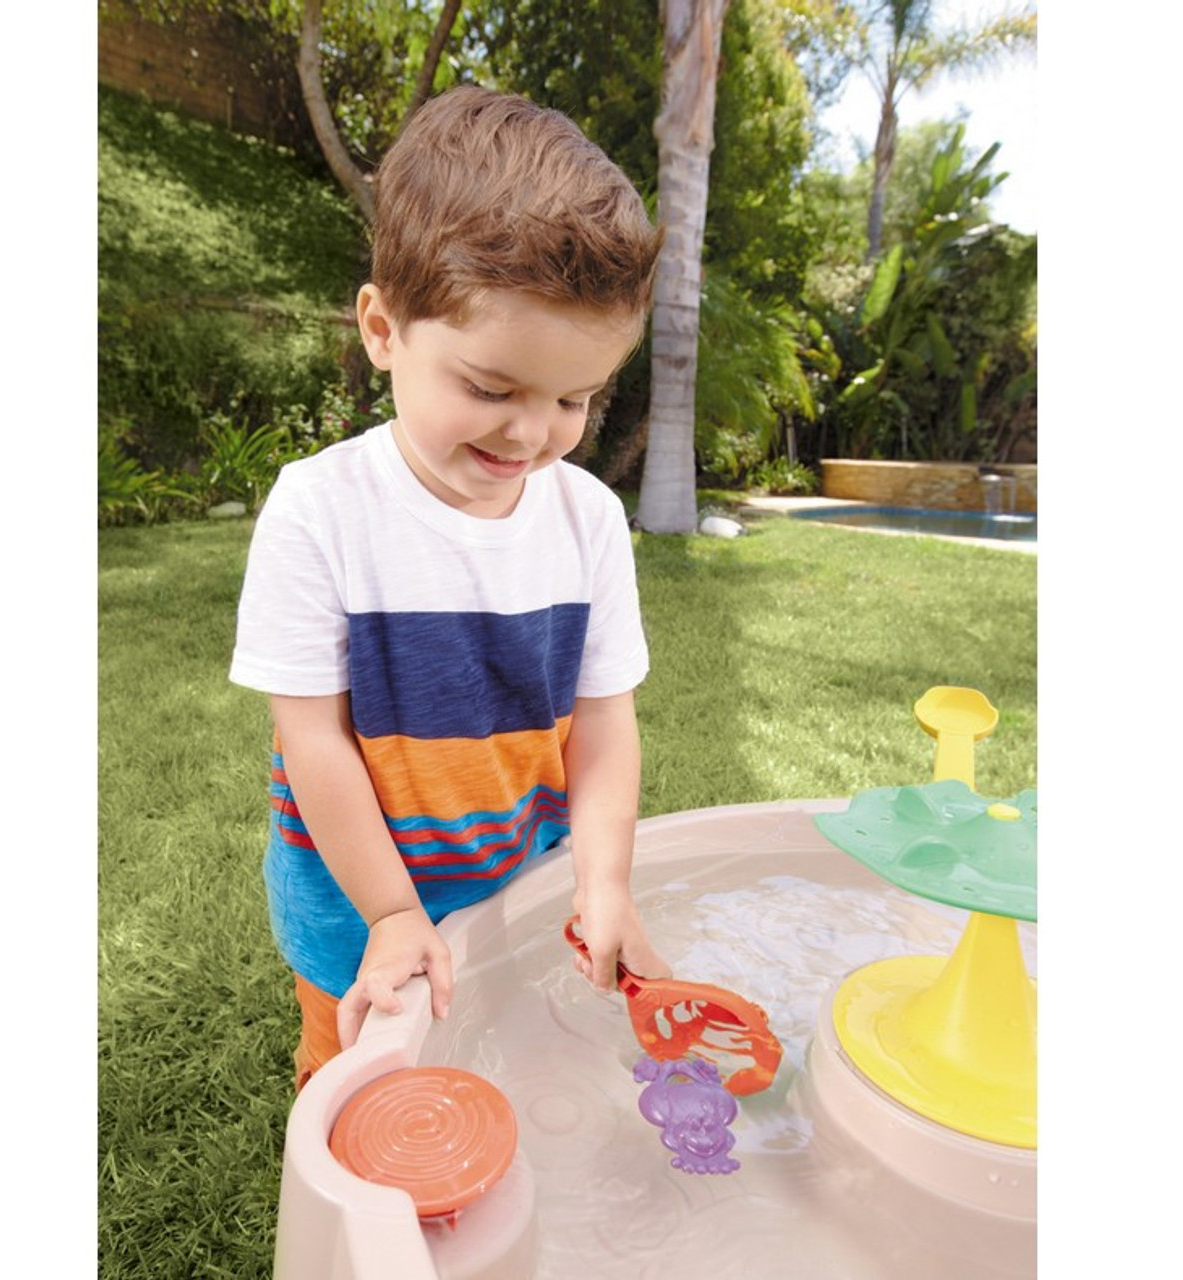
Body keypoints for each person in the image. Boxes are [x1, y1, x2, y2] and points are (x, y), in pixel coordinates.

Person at [230, 84, 671, 1089]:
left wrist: (601, 882)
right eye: (489, 387)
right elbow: (313, 741)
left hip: (519, 879)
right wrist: (391, 912)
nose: (530, 433)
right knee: (360, 1087)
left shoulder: (588, 520)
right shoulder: (319, 512)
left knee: (499, 1065)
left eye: (574, 397)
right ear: (384, 329)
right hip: (356, 901)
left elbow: (603, 723)